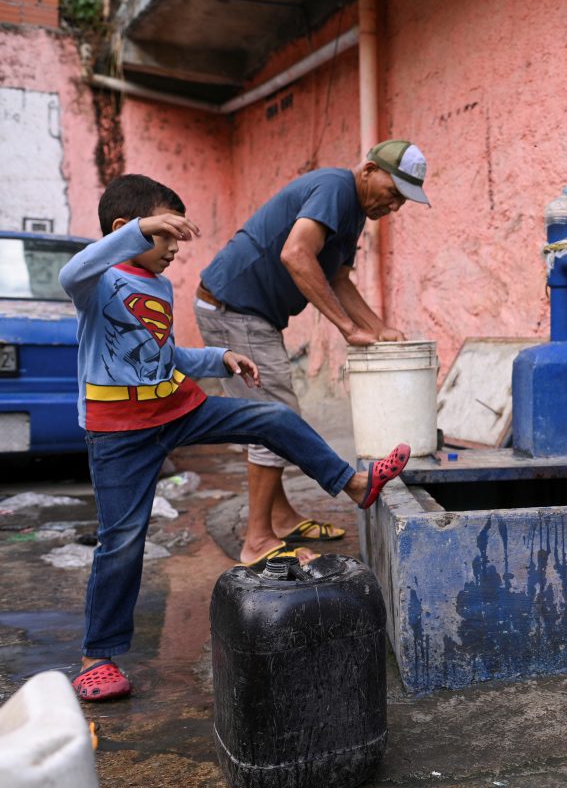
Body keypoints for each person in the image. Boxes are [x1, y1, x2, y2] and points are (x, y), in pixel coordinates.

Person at [60, 174, 411, 702]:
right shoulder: (100, 281)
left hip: (176, 410)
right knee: (122, 542)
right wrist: (140, 228)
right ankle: (97, 659)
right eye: (166, 236)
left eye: (176, 238)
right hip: (118, 435)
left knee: (270, 418)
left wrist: (216, 357)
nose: (175, 250)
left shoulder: (155, 285)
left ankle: (355, 484)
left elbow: (163, 356)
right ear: (126, 230)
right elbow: (71, 271)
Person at [195, 140, 430, 564]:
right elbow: (296, 253)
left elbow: (337, 278)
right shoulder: (337, 187)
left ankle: (280, 517)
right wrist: (345, 327)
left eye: (403, 202)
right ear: (369, 170)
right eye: (393, 193)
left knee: (270, 416)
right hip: (236, 309)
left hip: (248, 312)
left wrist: (379, 330)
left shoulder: (353, 211)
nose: (394, 207)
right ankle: (258, 540)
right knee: (273, 420)